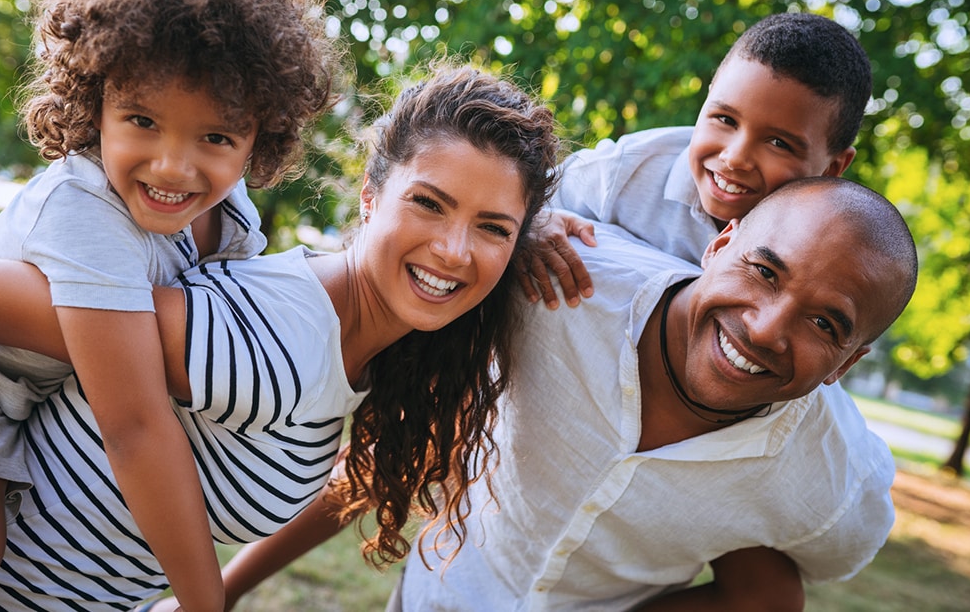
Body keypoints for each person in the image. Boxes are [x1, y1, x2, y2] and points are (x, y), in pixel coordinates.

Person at [0, 64, 561, 610]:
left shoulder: (357, 347)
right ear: (369, 195)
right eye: (430, 202)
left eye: (492, 227)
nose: (451, 248)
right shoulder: (280, 332)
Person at [0, 0, 341, 612]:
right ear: (95, 102)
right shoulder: (86, 208)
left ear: (261, 137)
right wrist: (202, 602)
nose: (173, 166)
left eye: (216, 136)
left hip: (26, 419)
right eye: (143, 121)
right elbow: (133, 427)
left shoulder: (234, 219)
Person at [215, 176, 915, 610]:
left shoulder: (831, 478)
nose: (766, 329)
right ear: (720, 242)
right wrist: (222, 589)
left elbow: (771, 592)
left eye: (825, 324)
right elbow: (401, 449)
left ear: (846, 364)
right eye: (764, 271)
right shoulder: (560, 284)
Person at [521, 12, 870, 308]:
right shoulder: (624, 171)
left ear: (833, 167)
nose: (735, 158)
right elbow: (517, 207)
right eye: (725, 119)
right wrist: (536, 221)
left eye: (778, 143)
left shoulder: (821, 250)